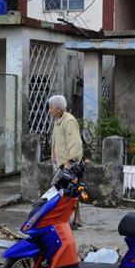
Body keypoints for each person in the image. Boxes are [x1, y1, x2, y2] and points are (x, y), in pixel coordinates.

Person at [48, 94, 84, 229]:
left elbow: (75, 143)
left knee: (70, 192)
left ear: (58, 109)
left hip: (68, 164)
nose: (49, 110)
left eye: (51, 107)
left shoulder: (69, 121)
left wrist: (71, 162)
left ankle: (74, 219)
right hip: (60, 163)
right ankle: (72, 218)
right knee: (65, 192)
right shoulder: (59, 121)